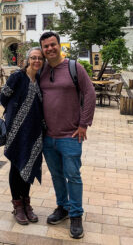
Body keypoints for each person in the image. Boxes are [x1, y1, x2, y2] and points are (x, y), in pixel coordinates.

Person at [39, 31, 96, 239]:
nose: (50, 49)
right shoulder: (42, 69)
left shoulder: (74, 67)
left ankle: (76, 214)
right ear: (43, 49)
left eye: (53, 45)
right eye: (46, 46)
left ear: (59, 45)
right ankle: (62, 207)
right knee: (56, 175)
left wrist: (84, 124)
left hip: (70, 135)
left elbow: (90, 93)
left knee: (73, 175)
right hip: (47, 136)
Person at [0, 47, 45, 225]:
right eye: (33, 58)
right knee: (17, 166)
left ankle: (26, 202)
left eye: (39, 58)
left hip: (34, 131)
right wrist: (16, 116)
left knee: (29, 165)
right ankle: (17, 205)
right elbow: (4, 98)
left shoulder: (40, 79)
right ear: (28, 59)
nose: (36, 61)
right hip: (16, 130)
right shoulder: (17, 77)